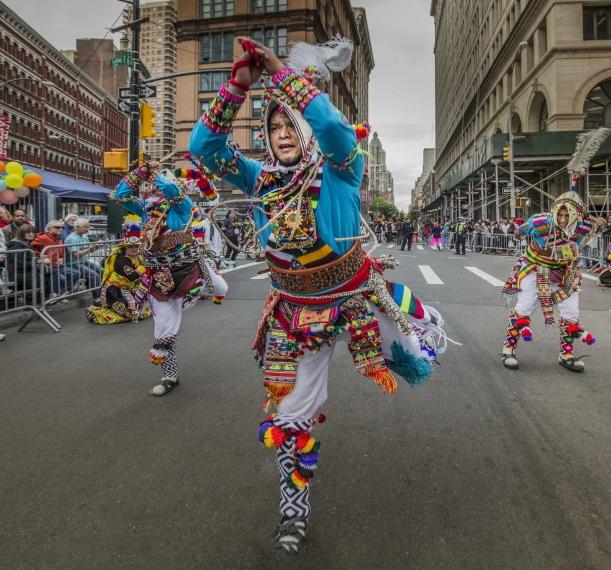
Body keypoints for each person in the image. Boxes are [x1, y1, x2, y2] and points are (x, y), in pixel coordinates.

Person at [188, 36, 445, 554]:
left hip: (355, 296)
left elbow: (330, 126)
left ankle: (424, 324)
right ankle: (293, 512)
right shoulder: (260, 180)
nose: (283, 133)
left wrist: (280, 71)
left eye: (291, 125)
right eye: (275, 126)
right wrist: (239, 86)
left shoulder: (342, 168)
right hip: (294, 314)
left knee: (413, 357)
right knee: (289, 417)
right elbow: (204, 150)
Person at [110, 160, 228, 395]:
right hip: (160, 276)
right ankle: (169, 375)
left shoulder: (182, 204)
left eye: (157, 185)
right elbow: (120, 196)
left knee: (220, 288)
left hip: (189, 267)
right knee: (163, 330)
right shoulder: (144, 207)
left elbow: (172, 191)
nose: (152, 188)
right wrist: (141, 172)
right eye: (151, 185)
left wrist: (158, 174)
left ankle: (190, 297)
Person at [500, 192, 598, 372]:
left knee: (571, 313)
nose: (562, 219)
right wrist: (519, 233)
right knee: (525, 307)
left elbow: (575, 245)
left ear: (576, 215)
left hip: (564, 271)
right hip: (535, 267)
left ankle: (566, 354)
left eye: (567, 216)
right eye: (559, 215)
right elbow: (519, 232)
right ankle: (508, 349)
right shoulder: (539, 222)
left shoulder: (583, 227)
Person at [86, 217, 152, 324]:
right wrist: (144, 266)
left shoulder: (139, 257)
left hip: (130, 287)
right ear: (125, 248)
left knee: (144, 307)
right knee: (127, 314)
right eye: (130, 246)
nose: (134, 248)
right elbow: (132, 276)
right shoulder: (122, 260)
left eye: (136, 246)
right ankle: (93, 312)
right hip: (115, 290)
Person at [31, 220, 79, 298]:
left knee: (76, 273)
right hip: (49, 266)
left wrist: (62, 259)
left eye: (62, 227)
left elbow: (62, 253)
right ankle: (53, 295)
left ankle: (60, 294)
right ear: (49, 229)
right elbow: (30, 247)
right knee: (62, 278)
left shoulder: (59, 239)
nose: (60, 229)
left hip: (58, 265)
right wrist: (40, 255)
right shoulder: (43, 237)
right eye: (57, 227)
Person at [64, 218, 102, 304]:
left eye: (88, 227)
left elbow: (87, 251)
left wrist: (95, 247)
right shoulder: (71, 239)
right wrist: (90, 248)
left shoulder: (84, 236)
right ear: (77, 227)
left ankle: (103, 293)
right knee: (94, 275)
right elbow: (76, 254)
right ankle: (97, 298)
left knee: (102, 270)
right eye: (86, 227)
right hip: (73, 263)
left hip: (84, 261)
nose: (88, 229)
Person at [5, 223, 46, 300]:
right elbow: (20, 264)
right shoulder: (16, 246)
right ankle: (38, 302)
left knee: (48, 274)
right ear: (22, 233)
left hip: (25, 272)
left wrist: (38, 259)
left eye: (33, 232)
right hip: (17, 273)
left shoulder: (27, 244)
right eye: (28, 232)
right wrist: (39, 261)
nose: (31, 234)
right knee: (37, 279)